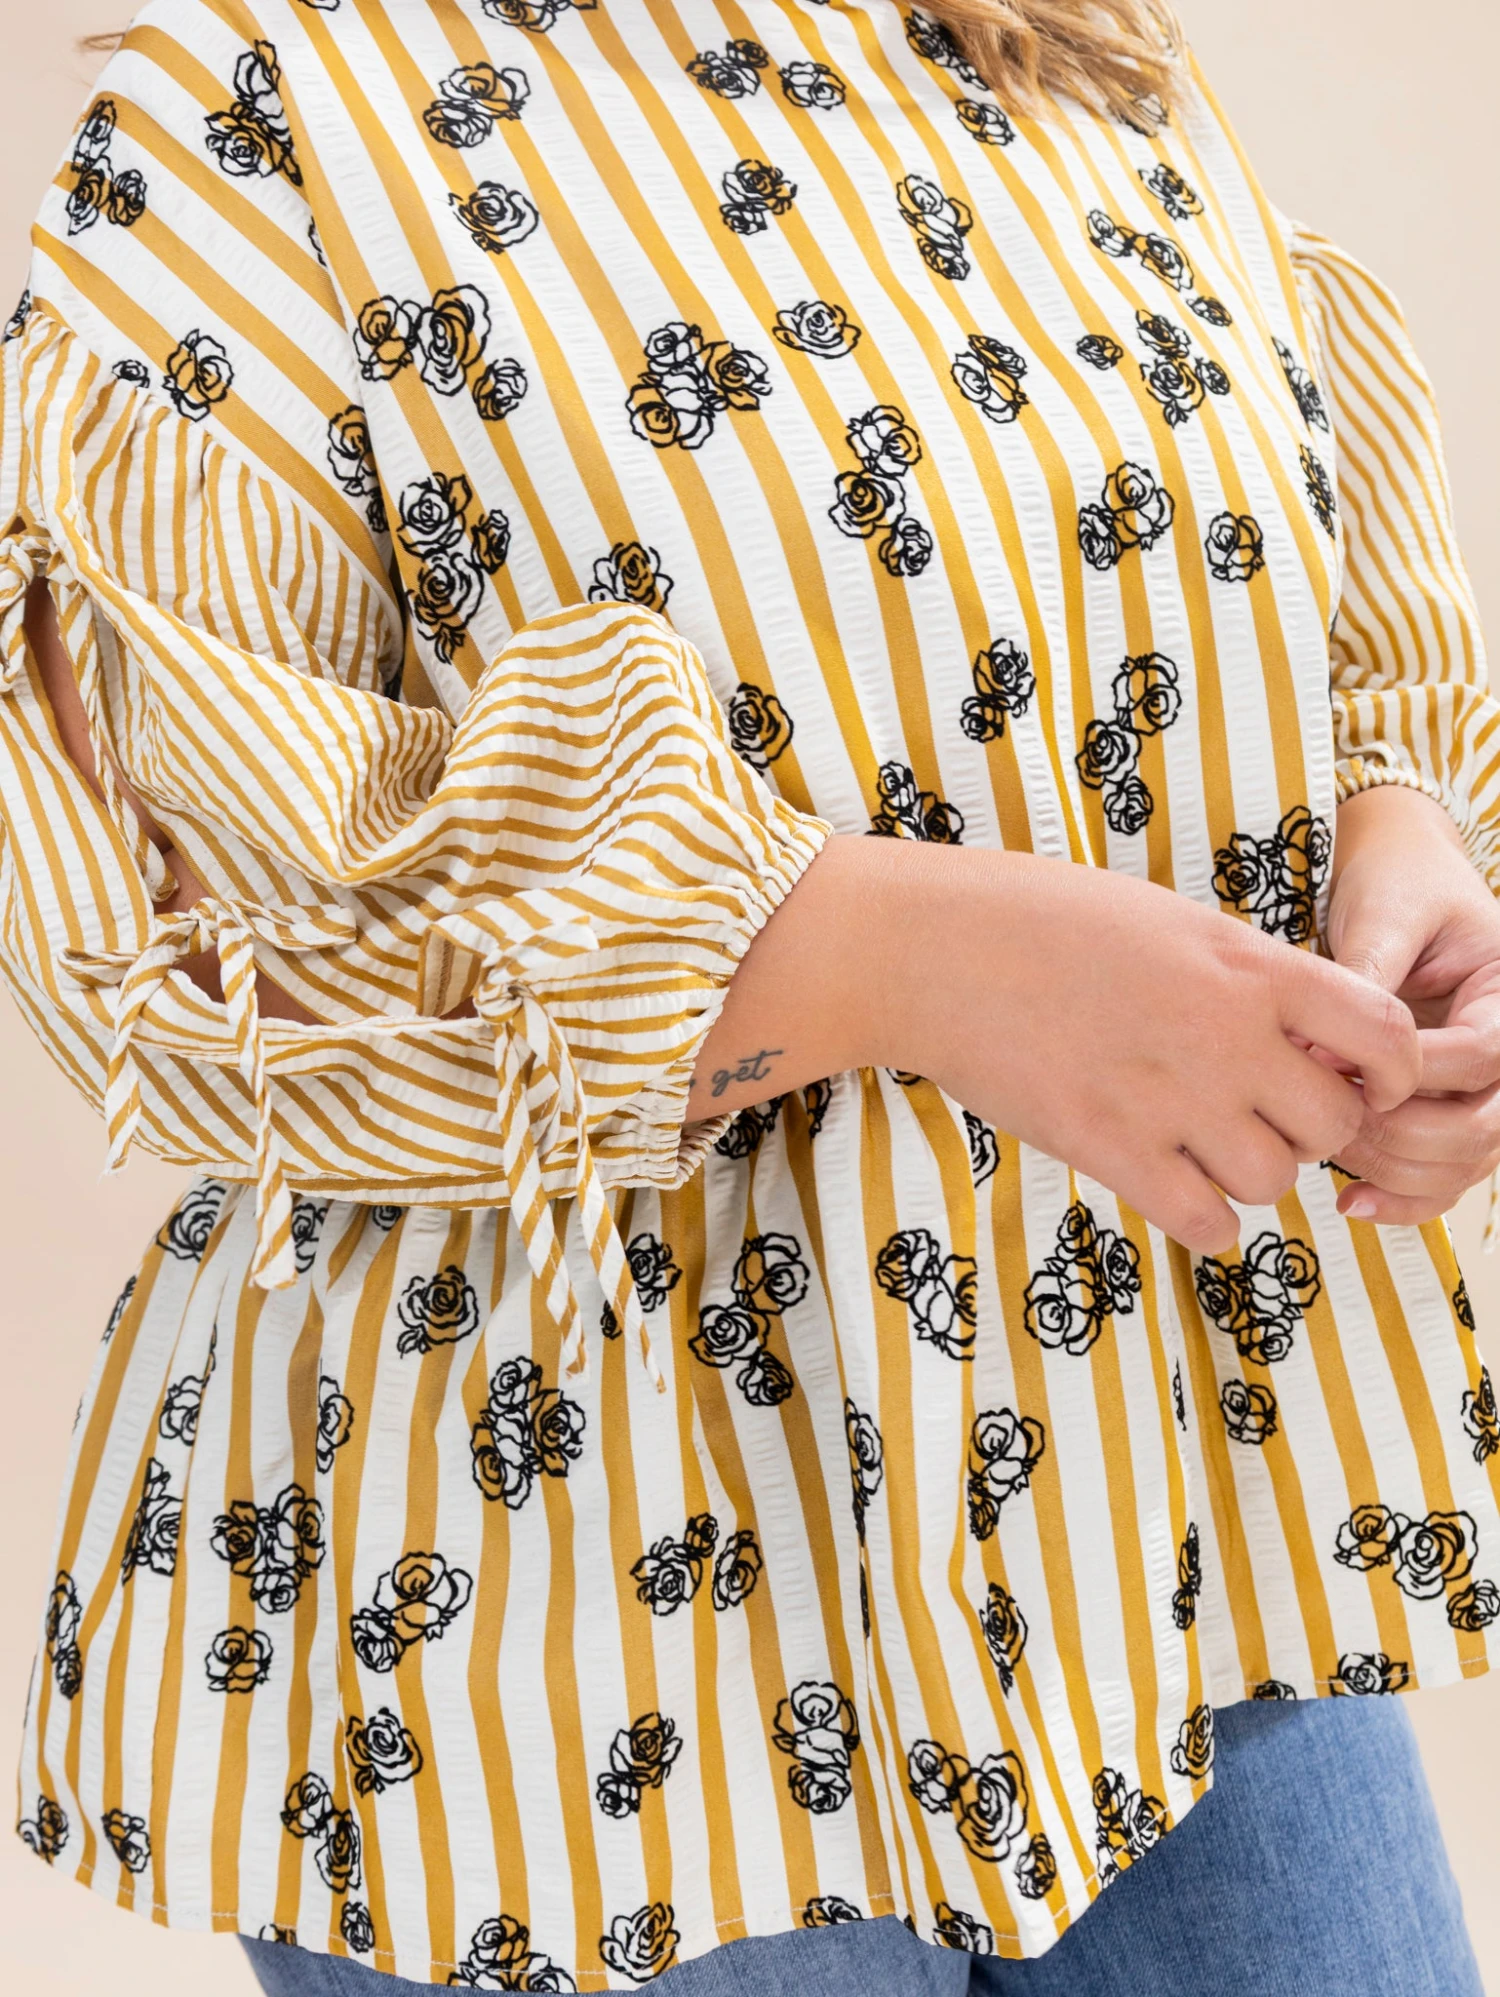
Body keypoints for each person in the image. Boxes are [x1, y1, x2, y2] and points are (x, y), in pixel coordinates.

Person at [3, 0, 1496, 1991]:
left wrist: (1396, 847)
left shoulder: (1072, 49)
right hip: (570, 1606)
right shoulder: (264, 110)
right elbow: (194, 927)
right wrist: (888, 955)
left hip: (1164, 1519)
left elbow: (1311, 575)